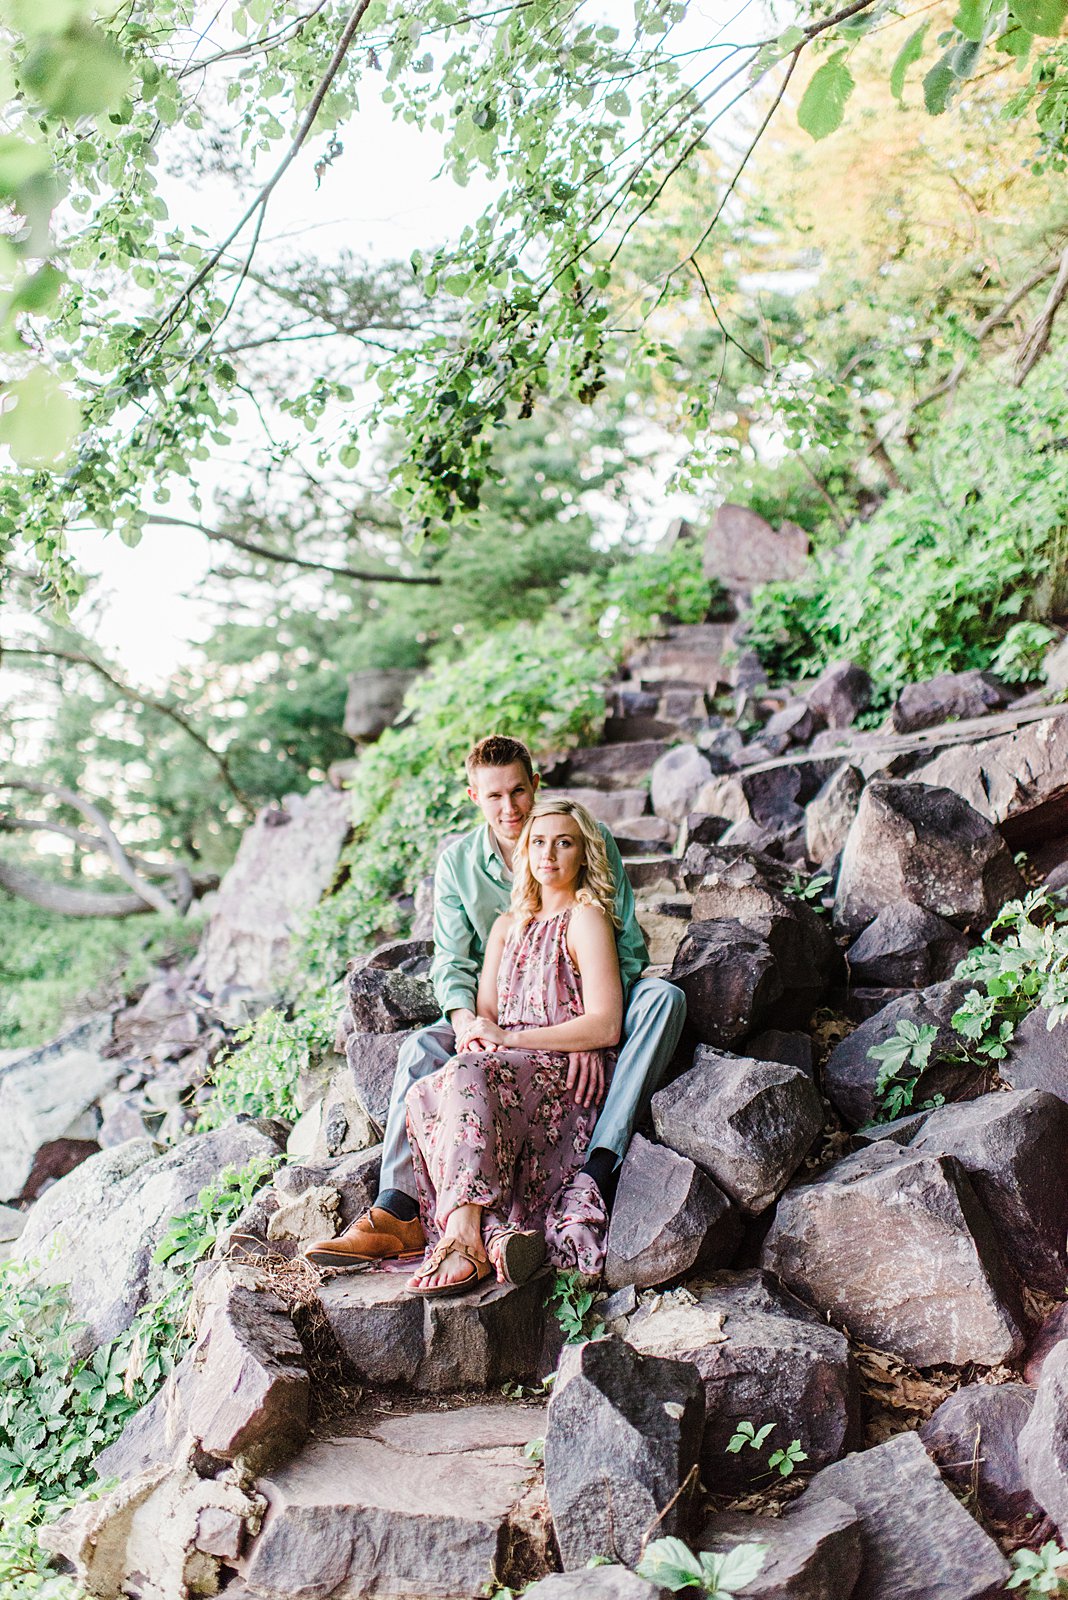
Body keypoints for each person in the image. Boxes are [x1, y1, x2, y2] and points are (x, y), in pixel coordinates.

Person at [304, 734, 686, 1270]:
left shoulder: (584, 836)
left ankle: (600, 1164)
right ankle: (398, 1208)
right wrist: (468, 1025)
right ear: (473, 797)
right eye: (494, 796)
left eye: (518, 792)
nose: (510, 808)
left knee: (664, 999)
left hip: (586, 993)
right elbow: (452, 963)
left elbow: (624, 945)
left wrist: (588, 1027)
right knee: (421, 1050)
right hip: (500, 1010)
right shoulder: (459, 863)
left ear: (536, 786)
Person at [405, 797, 622, 1294]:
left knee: (464, 1074)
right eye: (538, 843)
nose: (549, 854)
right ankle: (493, 1237)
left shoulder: (586, 919)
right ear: (524, 852)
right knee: (425, 1091)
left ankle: (462, 1239)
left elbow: (606, 1025)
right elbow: (487, 1016)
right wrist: (482, 1035)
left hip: (561, 1075)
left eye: (564, 843)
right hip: (504, 1069)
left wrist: (508, 1039)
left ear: (583, 854)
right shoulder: (507, 926)